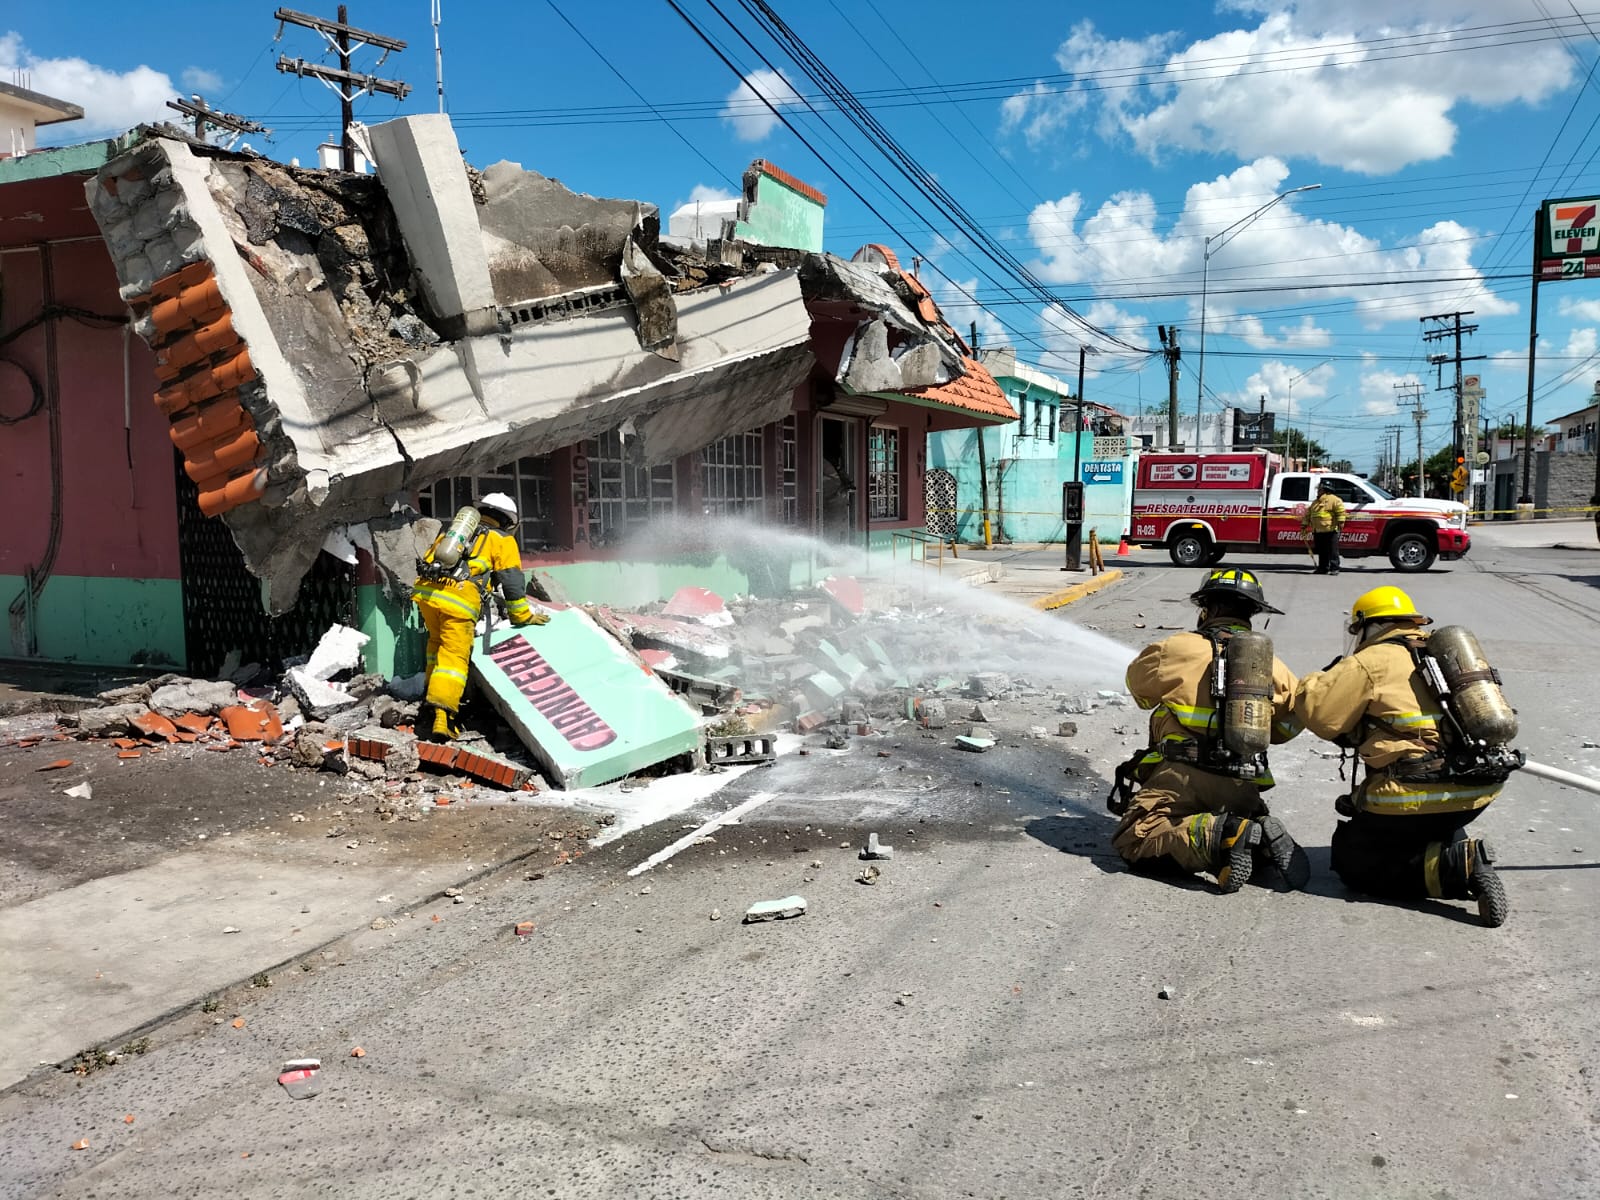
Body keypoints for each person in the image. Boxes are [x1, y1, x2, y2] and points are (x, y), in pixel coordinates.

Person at [1291, 586, 1508, 926]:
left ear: (1370, 625)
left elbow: (1321, 716)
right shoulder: (1440, 652)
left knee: (1354, 862)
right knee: (1429, 828)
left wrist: (1314, 681)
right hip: (1476, 790)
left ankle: (1457, 865)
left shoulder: (1371, 661)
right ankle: (1451, 847)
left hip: (1413, 795)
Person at [1111, 567, 1310, 893]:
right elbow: (1284, 730)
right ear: (1252, 613)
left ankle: (1224, 834)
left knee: (1135, 838)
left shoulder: (1175, 648)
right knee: (1232, 826)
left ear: (1207, 608)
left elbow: (1140, 692)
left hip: (1181, 778)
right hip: (1241, 784)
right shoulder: (1273, 666)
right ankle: (1256, 833)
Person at [413, 492, 546, 741]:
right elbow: (512, 580)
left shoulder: (454, 534)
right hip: (459, 600)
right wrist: (521, 615)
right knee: (454, 656)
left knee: (437, 645)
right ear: (507, 520)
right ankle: (443, 714)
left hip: (427, 595)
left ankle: (429, 697)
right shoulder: (502, 539)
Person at [1301, 478, 1347, 574]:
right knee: (1321, 551)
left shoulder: (1335, 500)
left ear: (1325, 489)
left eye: (1319, 489)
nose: (1318, 491)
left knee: (1333, 550)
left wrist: (1341, 522)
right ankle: (1323, 568)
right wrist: (1304, 524)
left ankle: (1334, 568)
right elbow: (1308, 514)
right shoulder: (1315, 502)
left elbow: (1340, 512)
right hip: (1318, 531)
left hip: (1330, 530)